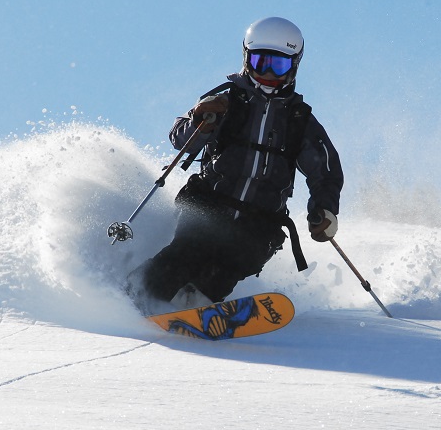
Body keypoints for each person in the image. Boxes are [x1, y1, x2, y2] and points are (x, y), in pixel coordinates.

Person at [127, 17, 344, 314]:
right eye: (260, 62)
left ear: (294, 65)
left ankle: (194, 307)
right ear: (246, 58)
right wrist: (201, 122)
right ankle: (132, 297)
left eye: (277, 66)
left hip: (260, 221)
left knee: (230, 266)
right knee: (186, 254)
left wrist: (324, 209)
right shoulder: (225, 101)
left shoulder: (299, 121)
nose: (267, 73)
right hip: (209, 204)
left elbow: (327, 171)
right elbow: (181, 141)